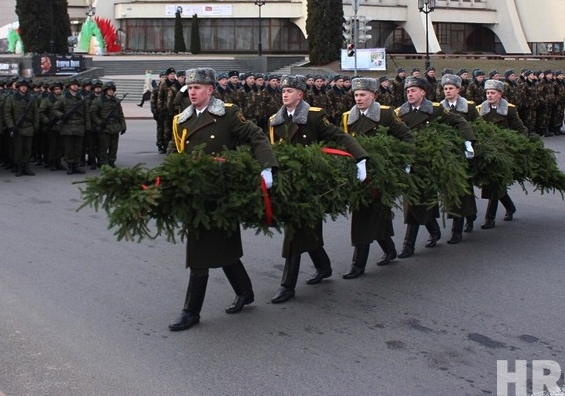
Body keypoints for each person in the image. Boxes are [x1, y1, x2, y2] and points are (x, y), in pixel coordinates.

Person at [167, 68, 278, 332]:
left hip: (222, 190)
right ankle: (245, 291)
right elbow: (174, 153)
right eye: (189, 88)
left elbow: (256, 136)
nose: (192, 92)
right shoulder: (180, 121)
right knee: (218, 246)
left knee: (204, 250)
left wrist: (267, 166)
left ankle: (191, 311)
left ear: (210, 90)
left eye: (197, 88)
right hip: (196, 192)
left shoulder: (227, 114)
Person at [265, 74, 368, 303]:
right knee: (305, 230)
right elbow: (270, 148)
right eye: (283, 91)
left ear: (300, 95)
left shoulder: (313, 116)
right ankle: (323, 266)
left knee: (295, 233)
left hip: (311, 184)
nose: (284, 94)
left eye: (289, 91)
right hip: (288, 184)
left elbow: (338, 135)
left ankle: (287, 286)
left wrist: (360, 157)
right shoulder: (275, 120)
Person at [339, 77, 414, 279]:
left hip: (380, 173)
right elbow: (342, 143)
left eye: (363, 95)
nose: (359, 98)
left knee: (364, 217)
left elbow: (406, 137)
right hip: (358, 174)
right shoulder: (348, 118)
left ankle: (358, 264)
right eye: (356, 95)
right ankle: (389, 249)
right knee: (374, 214)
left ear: (373, 95)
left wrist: (403, 161)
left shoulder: (385, 114)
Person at [395, 77, 475, 257]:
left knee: (450, 193)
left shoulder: (436, 109)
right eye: (407, 91)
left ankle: (455, 229)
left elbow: (459, 122)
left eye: (413, 90)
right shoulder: (399, 113)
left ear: (423, 92)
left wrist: (468, 142)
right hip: (413, 161)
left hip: (435, 159)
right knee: (414, 200)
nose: (410, 93)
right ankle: (411, 244)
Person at [477, 79, 524, 228]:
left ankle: (489, 218)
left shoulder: (509, 110)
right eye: (487, 93)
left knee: (495, 184)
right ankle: (510, 207)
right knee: (493, 185)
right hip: (486, 152)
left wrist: (514, 145)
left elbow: (521, 130)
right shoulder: (481, 109)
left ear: (500, 94)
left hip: (503, 152)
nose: (489, 96)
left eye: (492, 93)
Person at [440, 73, 479, 242]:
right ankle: (460, 225)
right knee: (453, 189)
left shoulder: (468, 107)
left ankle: (467, 219)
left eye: (451, 88)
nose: (447, 91)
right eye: (445, 88)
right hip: (447, 153)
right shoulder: (439, 107)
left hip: (465, 153)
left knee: (464, 188)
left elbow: (479, 127)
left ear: (458, 90)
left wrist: (470, 144)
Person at [4, 78, 40, 176]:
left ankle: (26, 167)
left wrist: (36, 126)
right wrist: (11, 126)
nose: (24, 88)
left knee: (28, 149)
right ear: (18, 87)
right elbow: (7, 114)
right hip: (17, 128)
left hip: (29, 127)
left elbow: (36, 113)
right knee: (18, 149)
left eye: (25, 86)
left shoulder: (31, 98)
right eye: (22, 86)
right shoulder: (11, 98)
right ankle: (19, 167)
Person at [52, 78, 89, 175]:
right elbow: (55, 109)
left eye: (76, 85)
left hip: (79, 126)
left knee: (78, 147)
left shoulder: (81, 98)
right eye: (73, 85)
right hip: (67, 127)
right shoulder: (63, 98)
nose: (75, 86)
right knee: (69, 148)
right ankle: (70, 166)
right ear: (69, 86)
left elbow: (86, 114)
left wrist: (87, 127)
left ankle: (76, 165)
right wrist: (62, 116)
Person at [92, 81, 126, 167]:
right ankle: (103, 162)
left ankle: (111, 161)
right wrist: (100, 123)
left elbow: (120, 114)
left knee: (113, 147)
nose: (111, 91)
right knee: (104, 147)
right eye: (109, 90)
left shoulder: (116, 101)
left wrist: (123, 126)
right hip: (105, 128)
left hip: (115, 127)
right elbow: (93, 113)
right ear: (105, 90)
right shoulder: (99, 101)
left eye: (112, 90)